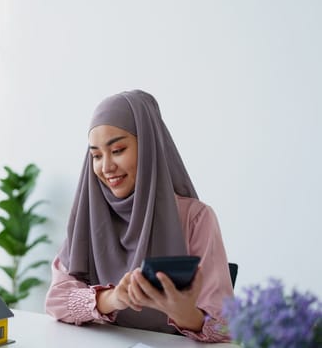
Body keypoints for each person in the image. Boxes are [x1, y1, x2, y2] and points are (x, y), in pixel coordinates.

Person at [44, 90, 233, 342]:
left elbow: (225, 328)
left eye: (118, 150)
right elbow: (56, 300)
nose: (106, 167)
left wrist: (185, 313)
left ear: (148, 148)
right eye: (97, 156)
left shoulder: (195, 218)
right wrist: (114, 298)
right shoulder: (88, 216)